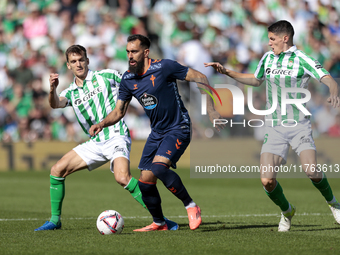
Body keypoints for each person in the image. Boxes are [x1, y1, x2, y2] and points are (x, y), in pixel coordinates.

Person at [205, 20, 340, 232]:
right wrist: (227, 72)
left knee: (311, 170)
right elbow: (256, 80)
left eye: (272, 39)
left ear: (285, 38)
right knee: (267, 180)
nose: (269, 44)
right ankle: (287, 211)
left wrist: (333, 90)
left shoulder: (302, 58)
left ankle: (333, 203)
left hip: (299, 126)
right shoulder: (268, 58)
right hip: (275, 127)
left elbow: (327, 78)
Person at [35, 45, 178, 231]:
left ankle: (161, 220)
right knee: (57, 170)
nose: (78, 64)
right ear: (68, 66)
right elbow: (56, 104)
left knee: (122, 177)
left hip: (116, 135)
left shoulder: (106, 76)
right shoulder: (70, 91)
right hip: (95, 142)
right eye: (73, 61)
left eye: (81, 60)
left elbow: (132, 81)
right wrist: (52, 89)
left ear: (87, 60)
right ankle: (55, 220)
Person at [89, 34, 222, 232]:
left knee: (159, 169)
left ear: (146, 52)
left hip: (179, 127)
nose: (130, 56)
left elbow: (200, 77)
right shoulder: (128, 78)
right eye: (127, 52)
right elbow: (119, 111)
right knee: (145, 182)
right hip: (157, 133)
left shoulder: (164, 67)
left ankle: (191, 206)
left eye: (134, 51)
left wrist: (211, 110)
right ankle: (159, 223)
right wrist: (102, 123)